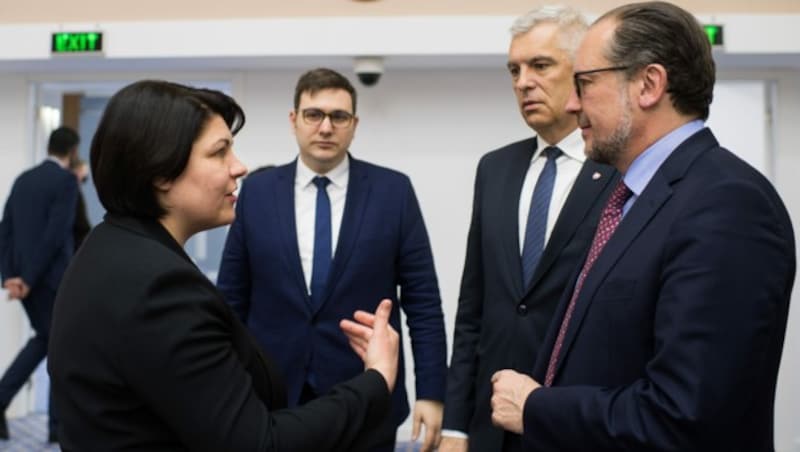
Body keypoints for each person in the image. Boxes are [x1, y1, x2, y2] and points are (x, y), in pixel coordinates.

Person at [490, 2, 795, 451]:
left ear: (648, 85)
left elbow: (684, 414)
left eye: (585, 82)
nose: (572, 104)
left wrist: (536, 407)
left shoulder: (728, 205)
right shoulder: (629, 197)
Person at [47, 79, 401, 451]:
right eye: (220, 153)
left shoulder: (110, 246)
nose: (239, 168)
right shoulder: (160, 288)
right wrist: (374, 379)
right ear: (161, 172)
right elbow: (259, 443)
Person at [218, 67, 447, 452]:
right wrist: (224, 384)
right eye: (314, 115)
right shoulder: (255, 192)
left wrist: (432, 392)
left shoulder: (393, 191)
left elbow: (424, 303)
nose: (326, 127)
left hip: (365, 396)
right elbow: (230, 301)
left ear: (354, 124)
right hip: (272, 396)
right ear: (294, 120)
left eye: (338, 117)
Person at [440, 6, 617, 452]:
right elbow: (472, 310)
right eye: (514, 70)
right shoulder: (496, 168)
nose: (523, 82)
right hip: (489, 424)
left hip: (575, 421)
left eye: (540, 65)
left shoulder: (619, 172)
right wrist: (455, 426)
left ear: (581, 73)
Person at [0, 126, 80, 443]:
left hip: (25, 280)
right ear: (72, 151)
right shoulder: (65, 181)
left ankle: (49, 424)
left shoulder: (23, 180)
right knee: (57, 346)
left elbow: (4, 230)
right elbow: (55, 235)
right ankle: (56, 429)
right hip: (50, 280)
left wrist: (11, 276)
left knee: (47, 341)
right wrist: (29, 278)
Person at [69, 157, 92, 250]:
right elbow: (81, 221)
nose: (85, 175)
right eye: (84, 171)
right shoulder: (72, 191)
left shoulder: (73, 190)